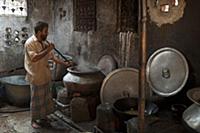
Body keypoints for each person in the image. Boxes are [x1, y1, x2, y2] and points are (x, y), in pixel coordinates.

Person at [24, 21, 72, 129]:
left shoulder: (44, 43)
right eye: (45, 31)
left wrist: (65, 63)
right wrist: (48, 49)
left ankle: (43, 118)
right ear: (39, 31)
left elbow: (53, 57)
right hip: (36, 76)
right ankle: (33, 120)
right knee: (36, 100)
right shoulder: (30, 43)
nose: (47, 33)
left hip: (45, 75)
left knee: (45, 99)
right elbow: (34, 58)